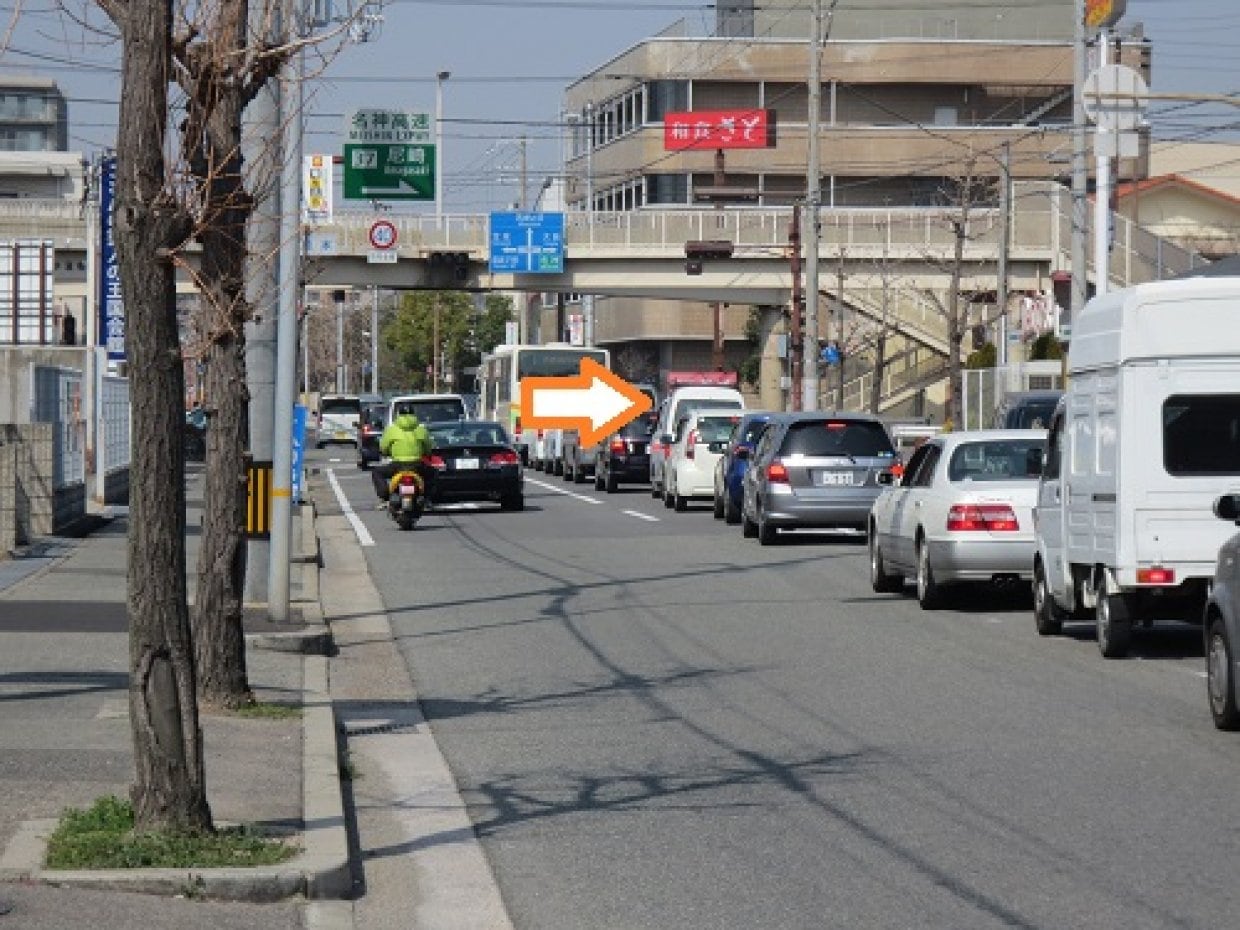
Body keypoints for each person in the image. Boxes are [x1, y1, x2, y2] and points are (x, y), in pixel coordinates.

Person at [371, 408, 433, 506]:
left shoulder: (392, 429)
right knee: (433, 473)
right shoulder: (421, 429)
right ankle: (427, 498)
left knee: (377, 472)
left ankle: (385, 496)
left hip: (397, 465)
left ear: (399, 415)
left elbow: (383, 447)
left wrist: (386, 452)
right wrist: (426, 453)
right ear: (414, 414)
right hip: (416, 465)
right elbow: (428, 447)